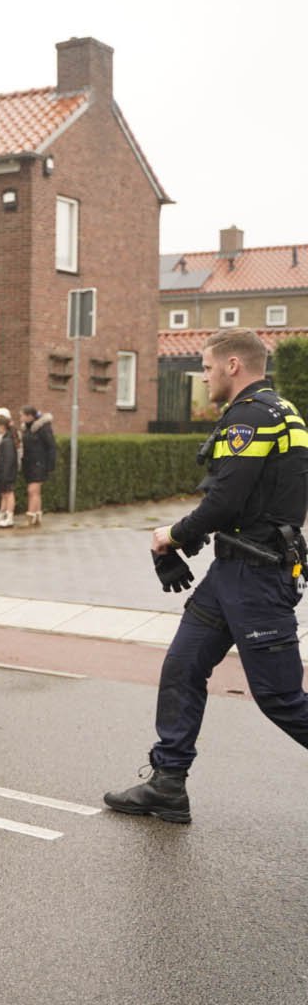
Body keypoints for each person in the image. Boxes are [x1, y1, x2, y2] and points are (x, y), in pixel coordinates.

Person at [104, 328, 308, 824]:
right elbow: (253, 497)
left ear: (233, 365)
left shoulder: (250, 417)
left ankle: (168, 781)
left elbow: (226, 500)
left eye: (207, 366)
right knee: (183, 666)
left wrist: (172, 535)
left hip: (257, 577)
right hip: (233, 570)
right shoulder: (283, 412)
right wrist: (195, 538)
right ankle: (168, 784)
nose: (203, 376)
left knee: (281, 699)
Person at [20, 405, 57, 526]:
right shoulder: (26, 429)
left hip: (39, 464)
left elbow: (51, 447)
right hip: (29, 464)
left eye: (22, 415)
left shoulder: (43, 428)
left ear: (30, 416)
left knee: (32, 490)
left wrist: (50, 466)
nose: (20, 418)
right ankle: (37, 517)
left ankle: (30, 517)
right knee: (36, 492)